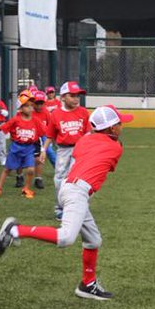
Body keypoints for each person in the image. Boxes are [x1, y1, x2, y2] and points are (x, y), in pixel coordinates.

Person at [0, 105, 133, 301]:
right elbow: (108, 160)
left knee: (93, 240)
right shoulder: (115, 147)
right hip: (77, 193)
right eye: (119, 124)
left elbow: (83, 149)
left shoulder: (84, 140)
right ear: (111, 128)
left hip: (69, 187)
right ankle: (15, 230)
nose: (121, 126)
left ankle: (87, 284)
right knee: (66, 237)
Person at [46, 81, 92, 219]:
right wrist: (43, 150)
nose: (76, 99)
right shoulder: (56, 114)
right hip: (63, 150)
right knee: (59, 178)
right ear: (63, 97)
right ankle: (60, 207)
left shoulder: (83, 112)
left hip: (79, 149)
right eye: (72, 96)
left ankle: (75, 206)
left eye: (77, 96)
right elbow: (50, 135)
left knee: (76, 178)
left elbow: (88, 132)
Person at [0, 92, 44, 199]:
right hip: (16, 148)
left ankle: (26, 189)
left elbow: (44, 132)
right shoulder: (16, 119)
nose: (30, 108)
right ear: (20, 108)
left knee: (31, 170)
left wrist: (44, 148)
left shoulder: (36, 121)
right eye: (27, 106)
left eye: (31, 105)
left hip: (29, 149)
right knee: (7, 169)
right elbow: (4, 126)